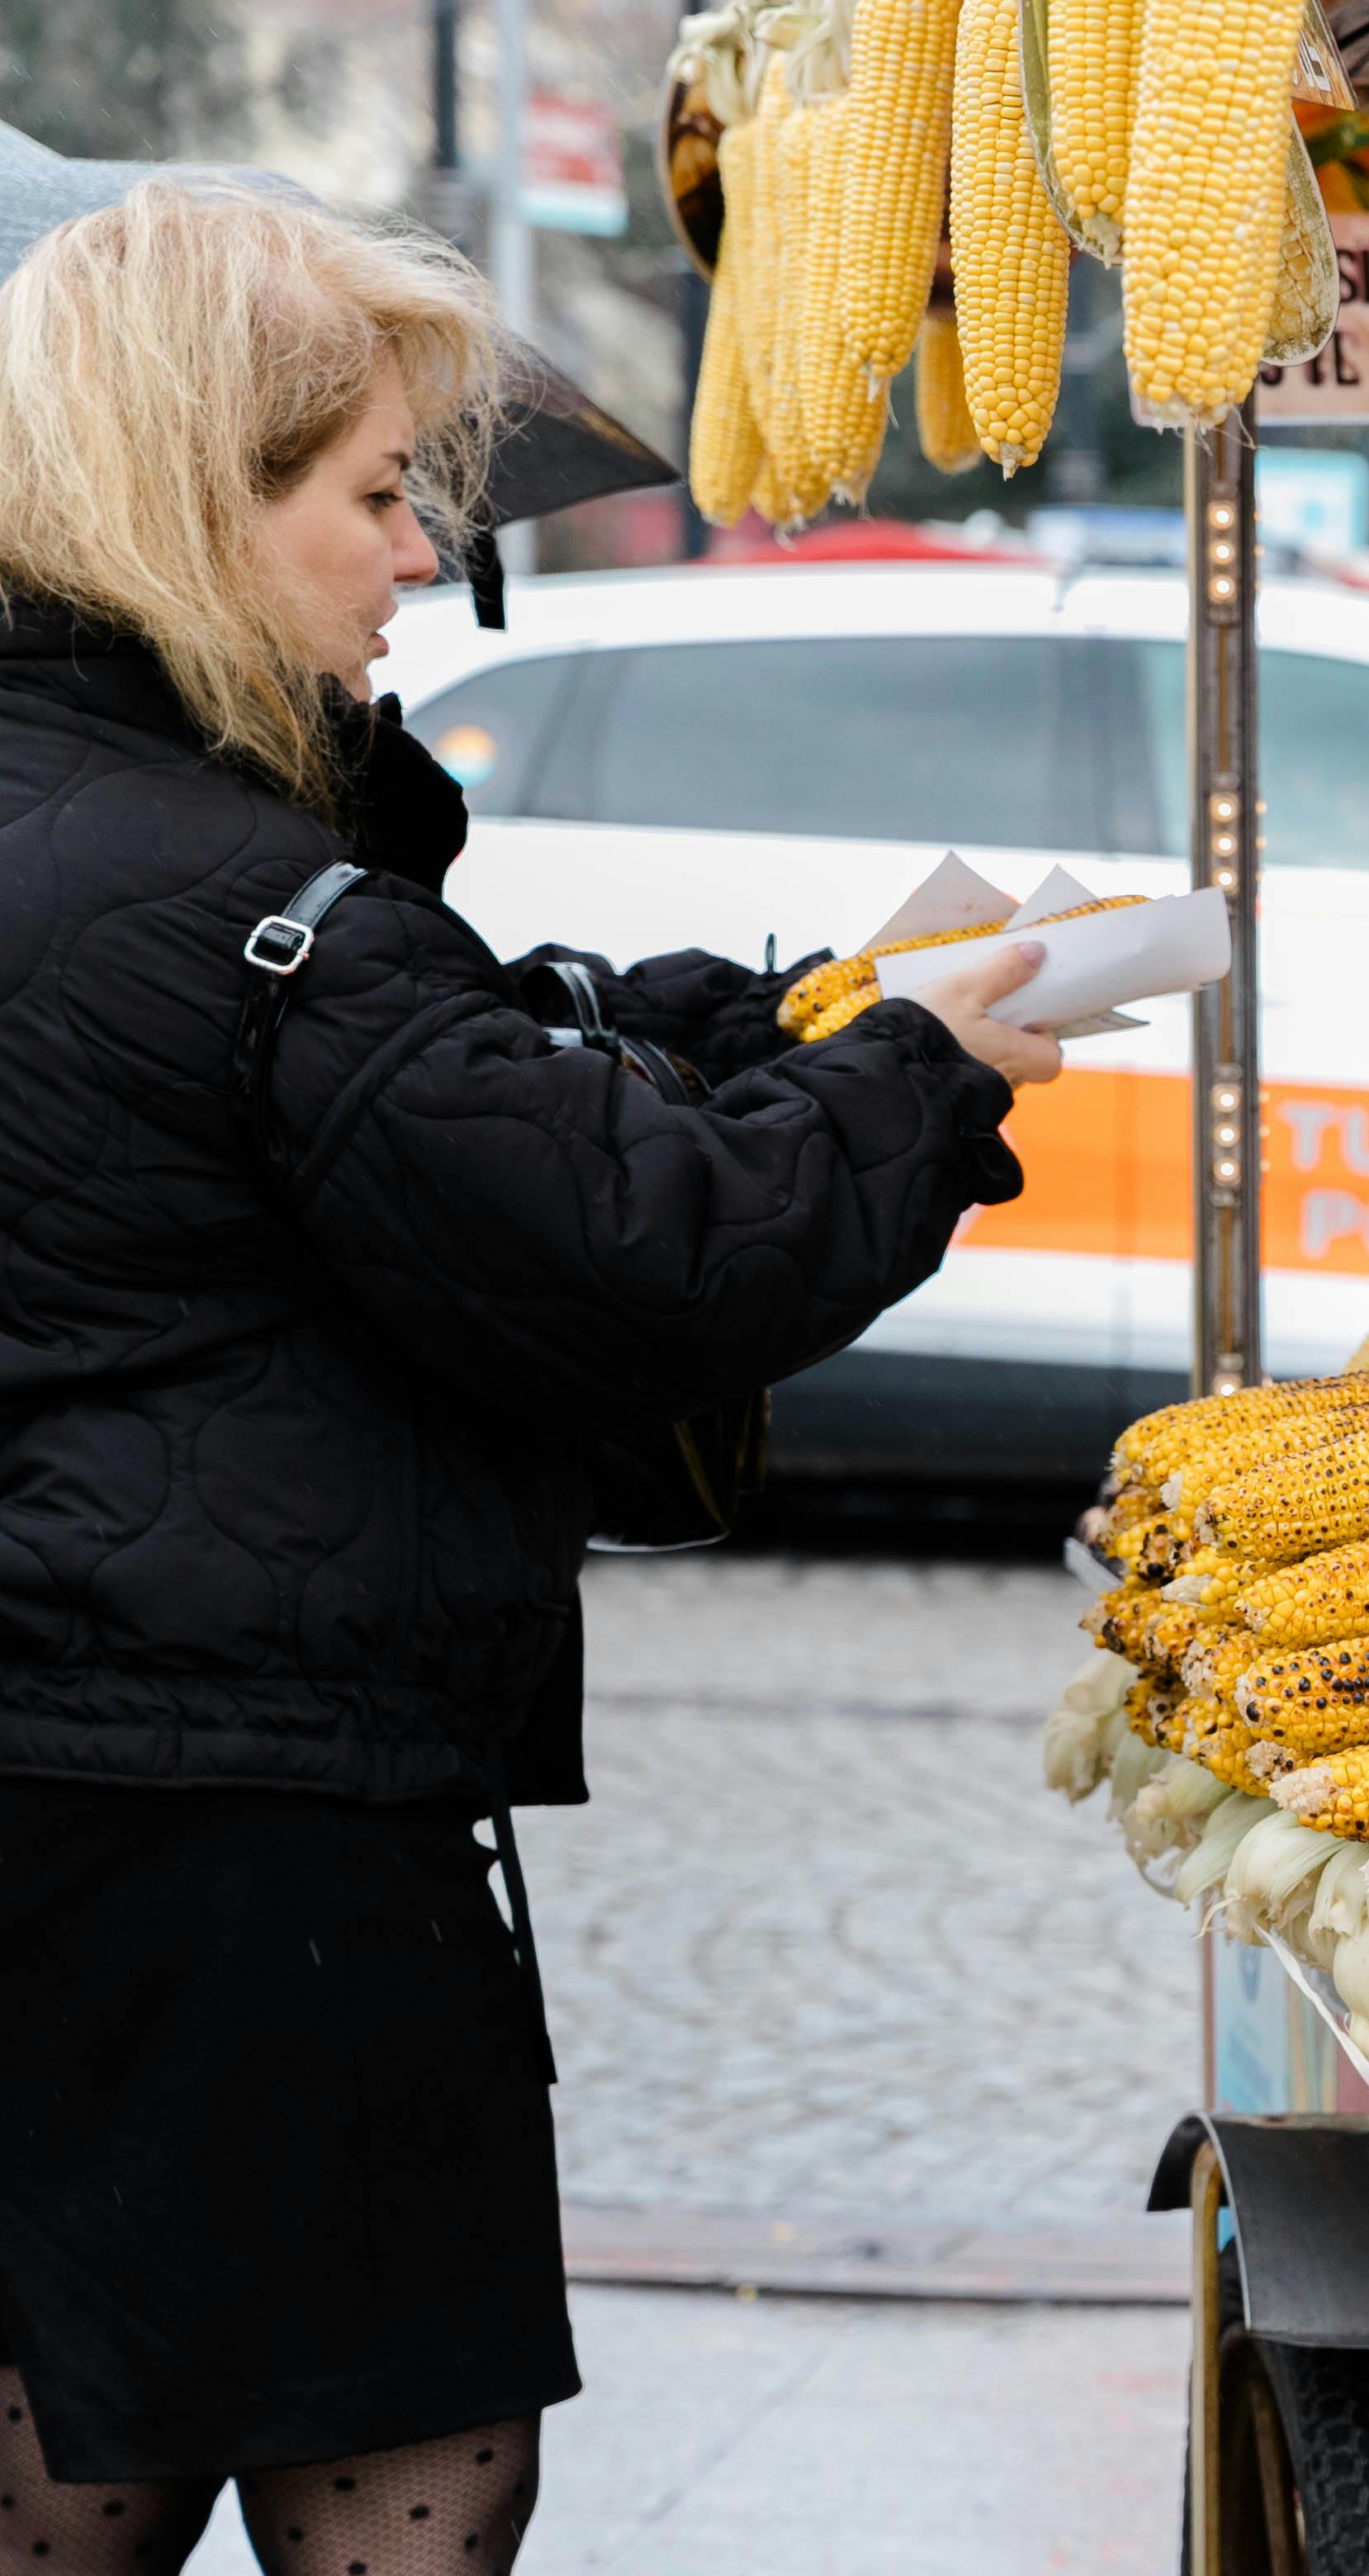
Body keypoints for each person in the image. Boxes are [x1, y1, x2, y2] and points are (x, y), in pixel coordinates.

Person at [0, 185, 1062, 2574]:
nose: (415, 557)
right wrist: (930, 1068)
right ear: (196, 501)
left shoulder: (164, 864)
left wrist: (741, 1009)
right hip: (261, 1840)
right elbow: (660, 1259)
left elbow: (434, 1075)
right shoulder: (255, 907)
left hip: (41, 1806)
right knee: (404, 2466)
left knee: (58, 2440)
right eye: (372, 496)